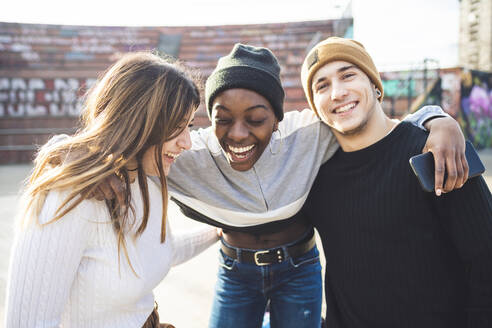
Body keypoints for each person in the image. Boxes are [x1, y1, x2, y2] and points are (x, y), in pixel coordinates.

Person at [91, 44, 467, 328]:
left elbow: (378, 122)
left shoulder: (309, 134)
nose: (238, 134)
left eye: (256, 118)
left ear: (277, 118)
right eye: (223, 119)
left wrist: (438, 120)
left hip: (299, 267)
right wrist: (98, 163)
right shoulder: (186, 153)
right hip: (235, 271)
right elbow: (119, 142)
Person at [4, 52, 219, 328]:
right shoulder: (68, 196)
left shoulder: (146, 178)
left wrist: (218, 231)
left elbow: (162, 250)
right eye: (175, 128)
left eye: (188, 126)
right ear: (135, 121)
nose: (187, 143)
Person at [301, 37, 492, 327]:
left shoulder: (437, 151)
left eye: (348, 75)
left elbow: (485, 262)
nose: (337, 93)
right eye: (322, 86)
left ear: (375, 86)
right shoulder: (316, 178)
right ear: (315, 106)